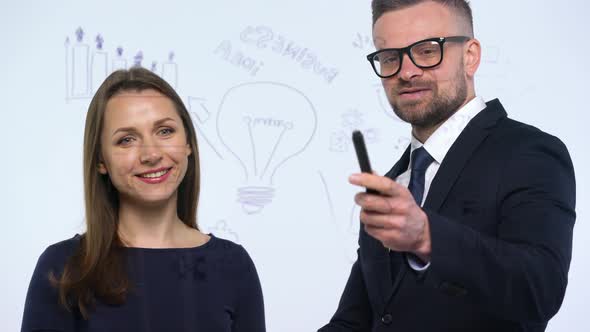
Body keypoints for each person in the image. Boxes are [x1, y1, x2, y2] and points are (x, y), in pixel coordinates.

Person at [319, 1, 576, 331]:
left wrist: (426, 236)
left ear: (470, 56)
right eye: (390, 57)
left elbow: (541, 289)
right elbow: (357, 319)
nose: (406, 71)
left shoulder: (530, 153)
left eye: (427, 51)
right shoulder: (391, 184)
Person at [21, 67, 266, 331]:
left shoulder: (233, 266)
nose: (151, 154)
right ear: (101, 160)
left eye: (165, 131)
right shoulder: (64, 267)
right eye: (126, 140)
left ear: (188, 144)